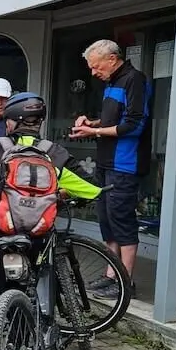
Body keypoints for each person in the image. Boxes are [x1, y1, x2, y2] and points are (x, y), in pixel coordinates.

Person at [0, 92, 101, 350]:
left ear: (12, 122)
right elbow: (89, 190)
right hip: (35, 238)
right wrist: (65, 194)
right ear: (39, 122)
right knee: (30, 300)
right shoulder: (55, 153)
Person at [69, 39, 152, 299]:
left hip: (125, 164)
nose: (93, 72)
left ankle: (125, 282)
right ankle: (110, 275)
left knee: (122, 221)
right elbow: (111, 120)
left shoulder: (135, 80)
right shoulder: (111, 83)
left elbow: (134, 125)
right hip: (106, 162)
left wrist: (93, 130)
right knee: (106, 219)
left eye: (96, 67)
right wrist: (90, 124)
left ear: (112, 59)